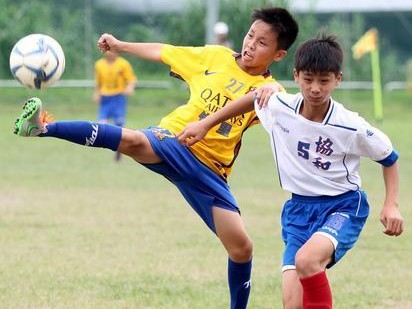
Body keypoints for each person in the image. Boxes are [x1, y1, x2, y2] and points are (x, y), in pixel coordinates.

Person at [13, 7, 299, 309]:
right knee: (134, 140)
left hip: (210, 173)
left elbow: (288, 112)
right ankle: (43, 128)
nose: (251, 44)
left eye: (262, 43)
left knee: (242, 248)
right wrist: (121, 46)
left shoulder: (270, 92)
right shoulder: (216, 57)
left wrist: (270, 90)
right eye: (250, 35)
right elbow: (165, 51)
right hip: (174, 139)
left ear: (278, 55)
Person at [177, 33, 404, 308]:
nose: (315, 88)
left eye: (324, 80)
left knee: (307, 261)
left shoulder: (351, 125)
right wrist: (206, 124)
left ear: (338, 79)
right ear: (296, 76)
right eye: (308, 79)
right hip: (298, 210)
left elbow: (388, 157)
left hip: (342, 207)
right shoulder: (282, 107)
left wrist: (391, 205)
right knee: (292, 303)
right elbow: (251, 99)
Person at [93, 50, 137, 161]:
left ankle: (120, 150)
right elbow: (98, 82)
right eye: (108, 50)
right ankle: (114, 145)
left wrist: (130, 88)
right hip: (105, 98)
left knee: (119, 126)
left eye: (113, 50)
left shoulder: (123, 64)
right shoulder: (99, 65)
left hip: (118, 98)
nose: (111, 53)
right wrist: (97, 93)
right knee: (101, 125)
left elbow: (131, 79)